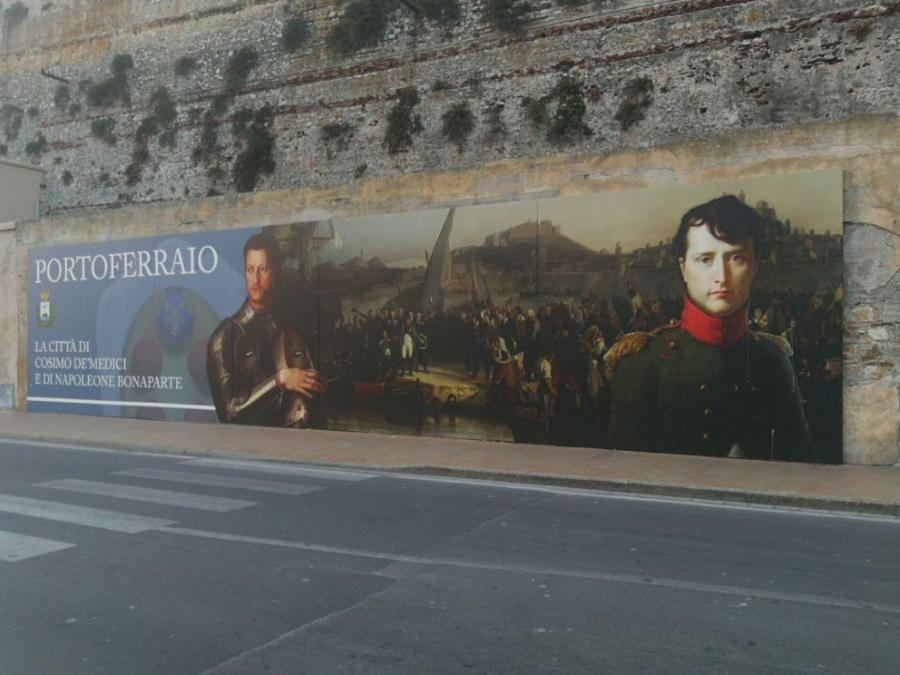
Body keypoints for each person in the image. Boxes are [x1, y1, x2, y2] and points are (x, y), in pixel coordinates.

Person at [605, 195, 814, 461]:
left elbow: (800, 467)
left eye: (736, 258)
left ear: (755, 266)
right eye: (705, 259)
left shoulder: (774, 361)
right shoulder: (642, 364)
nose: (722, 276)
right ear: (683, 268)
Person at [207, 233, 325, 427]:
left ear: (275, 271)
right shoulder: (225, 337)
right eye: (250, 269)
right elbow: (230, 412)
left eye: (263, 269)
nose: (256, 279)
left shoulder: (290, 328)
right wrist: (279, 380)